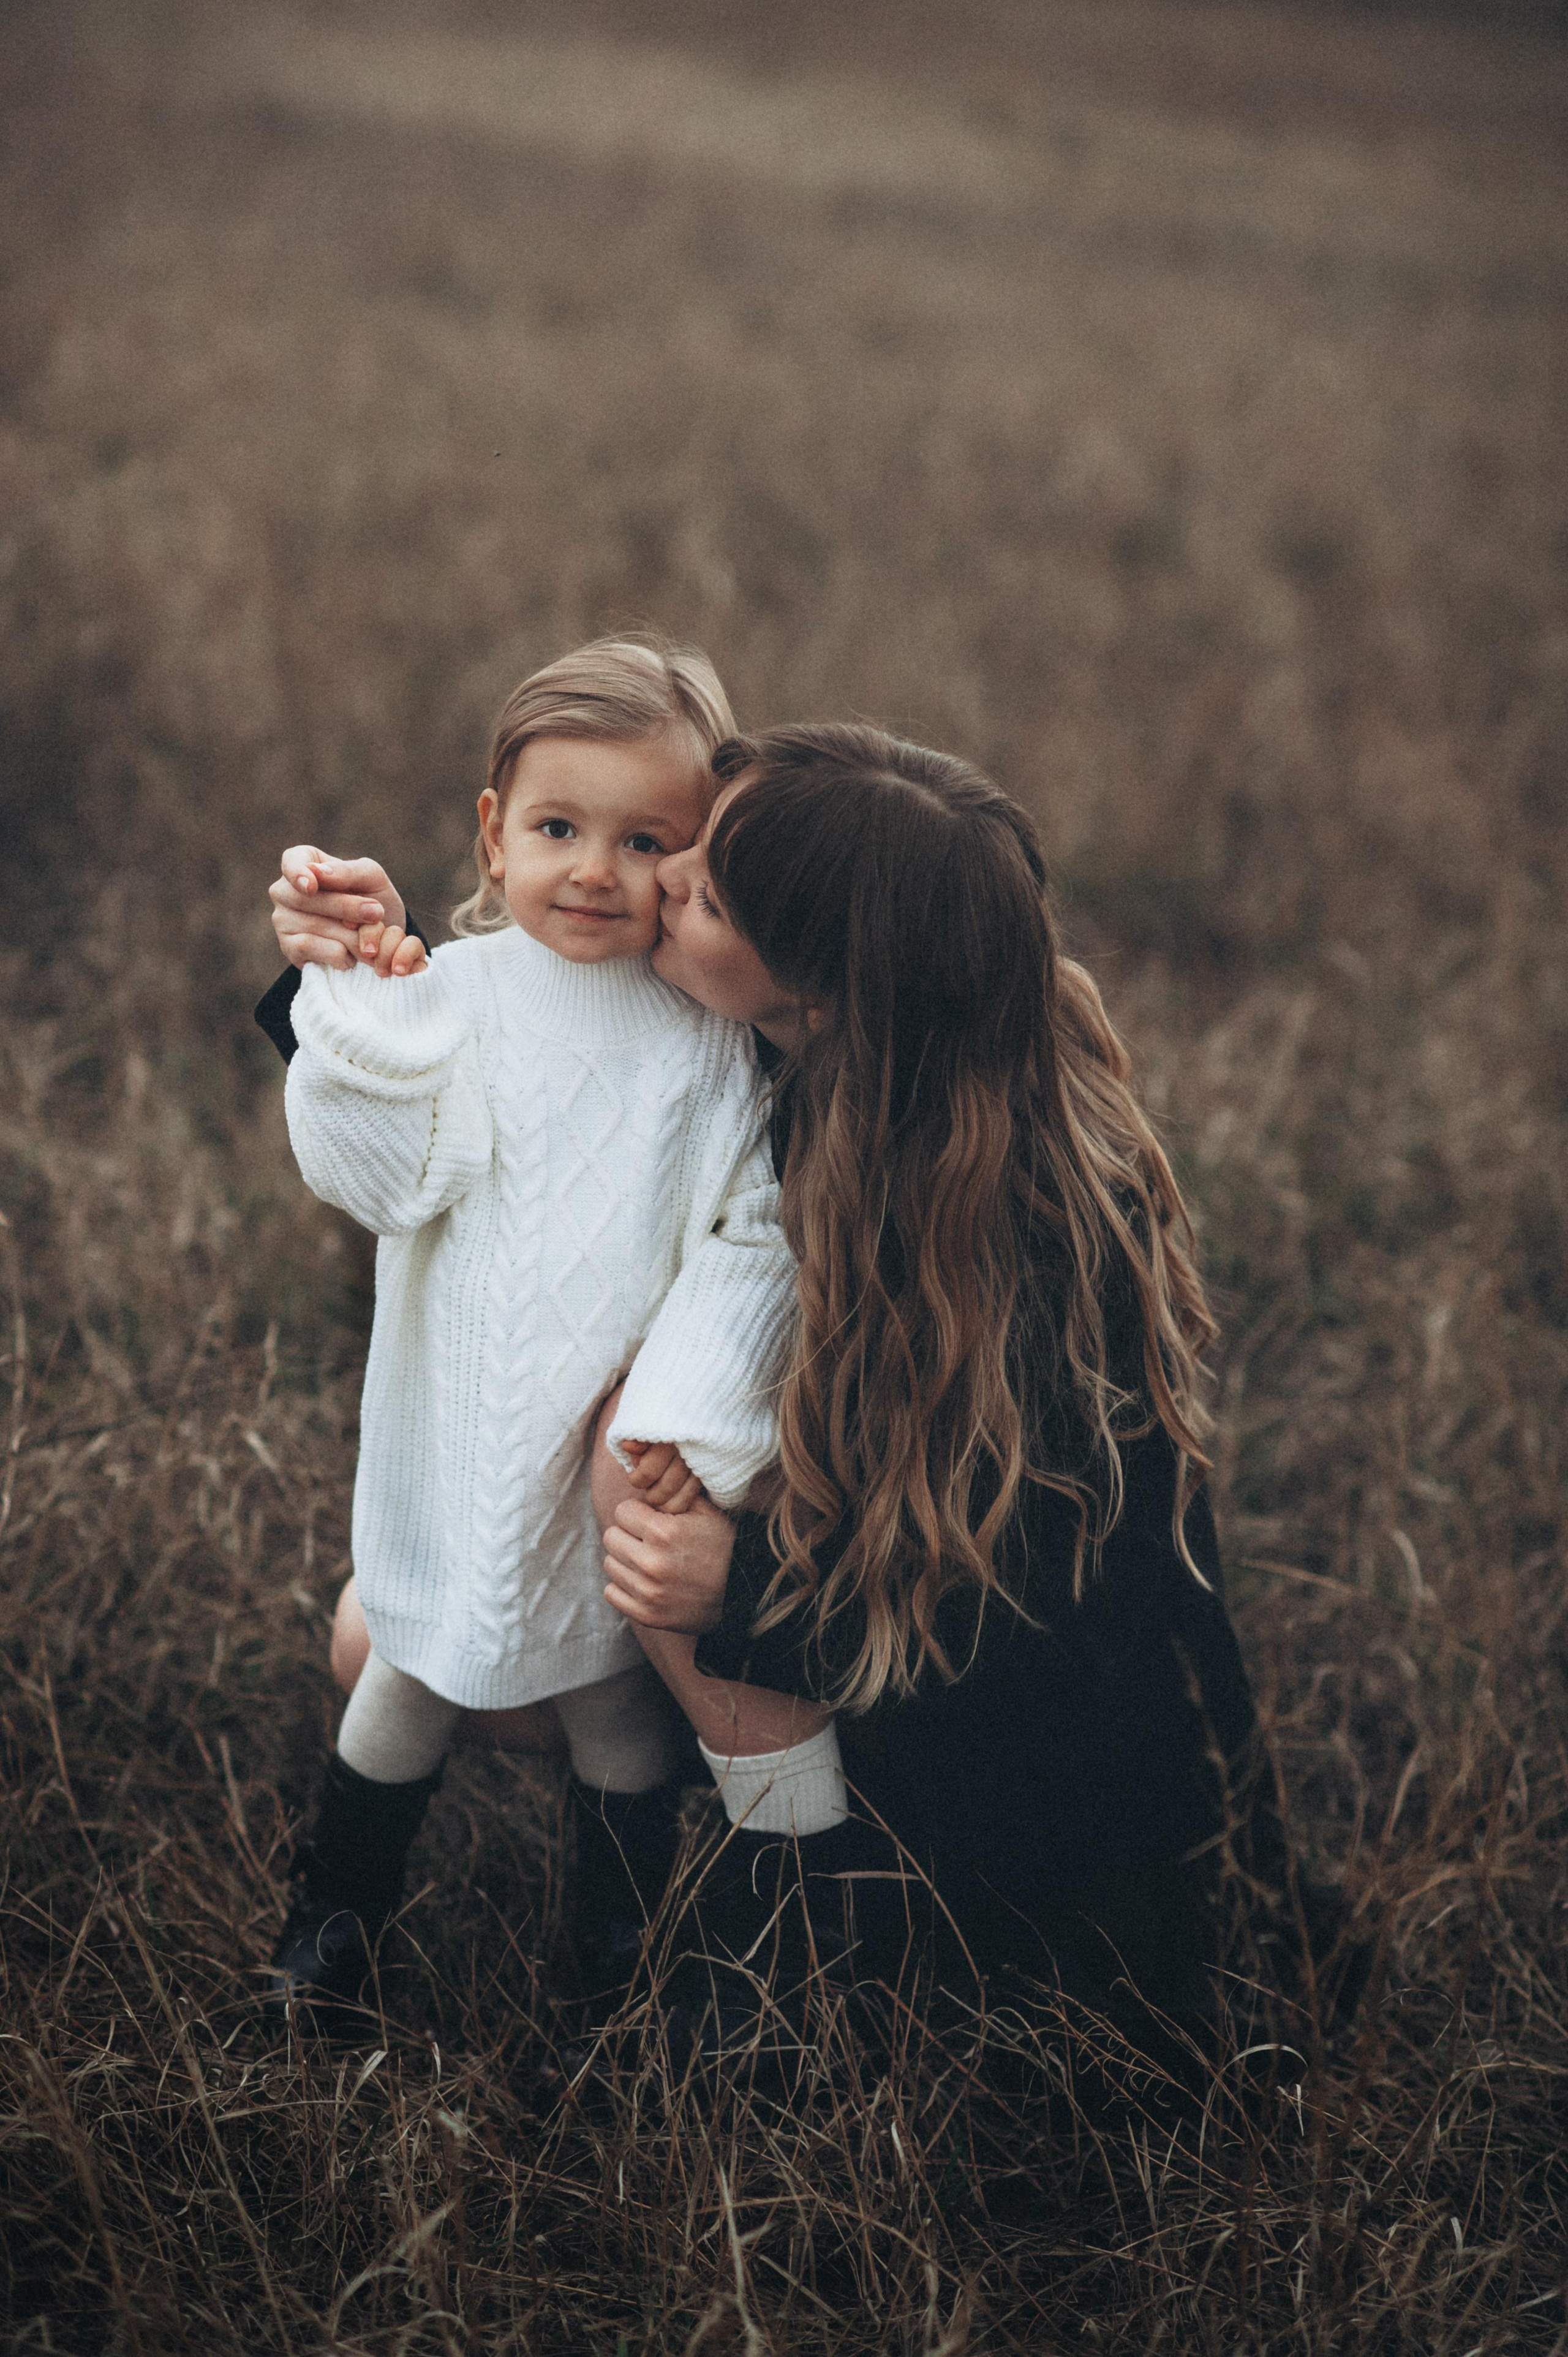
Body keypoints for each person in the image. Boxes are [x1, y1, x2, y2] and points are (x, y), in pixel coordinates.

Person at [263, 639, 802, 2025]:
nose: (594, 872)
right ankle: (334, 1926)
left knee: (617, 1713)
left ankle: (607, 1967)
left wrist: (685, 1417)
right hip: (459, 1431)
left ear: (694, 871)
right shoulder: (455, 994)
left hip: (604, 1455)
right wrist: (364, 1014)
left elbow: (752, 1242)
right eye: (558, 830)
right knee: (404, 1676)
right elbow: (377, 1177)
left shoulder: (708, 1043)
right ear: (494, 834)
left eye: (645, 843)